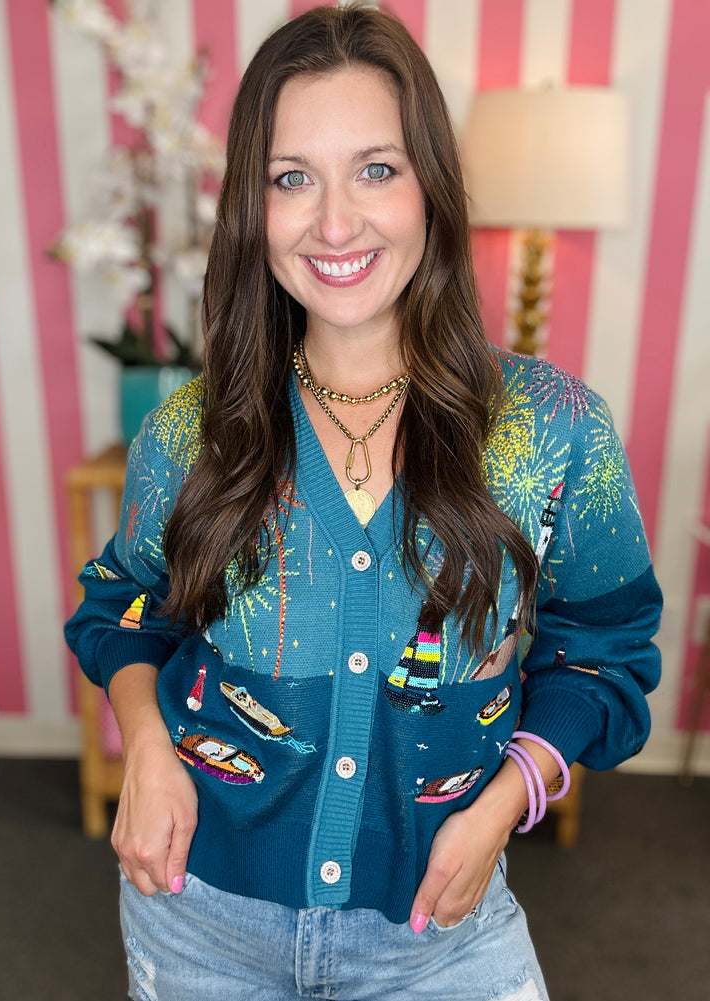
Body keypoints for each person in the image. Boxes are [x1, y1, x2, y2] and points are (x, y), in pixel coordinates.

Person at [65, 5, 662, 1000]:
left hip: (442, 931)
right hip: (199, 916)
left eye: (376, 169)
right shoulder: (190, 432)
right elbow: (120, 607)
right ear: (253, 207)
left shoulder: (554, 431)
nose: (333, 222)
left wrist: (503, 799)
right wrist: (151, 747)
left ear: (432, 183)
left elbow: (605, 654)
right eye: (291, 177)